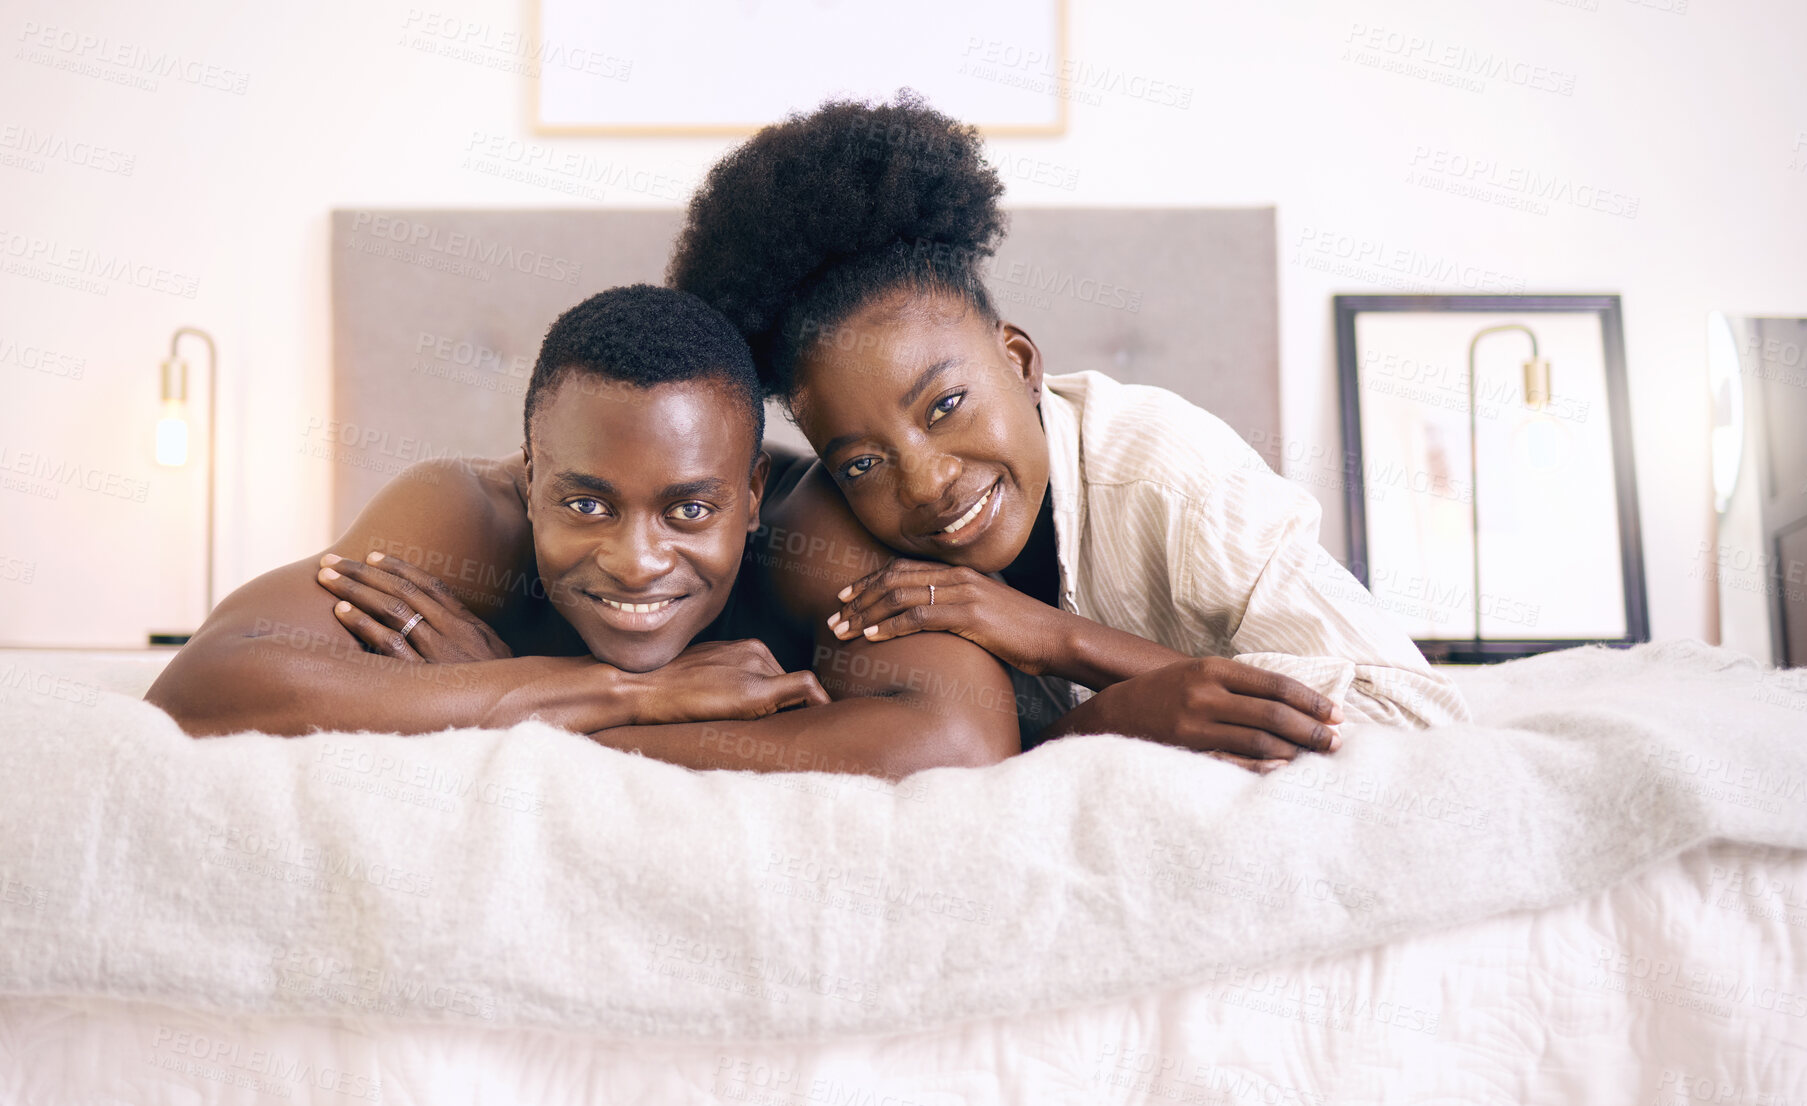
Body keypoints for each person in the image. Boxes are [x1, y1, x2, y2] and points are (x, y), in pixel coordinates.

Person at [664, 92, 1472, 762]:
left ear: (1017, 360)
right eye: (864, 463)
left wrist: (1063, 641)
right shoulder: (851, 550)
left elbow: (1417, 720)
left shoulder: (1167, 475)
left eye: (945, 407)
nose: (927, 483)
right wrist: (1090, 721)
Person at [146, 284, 1021, 779]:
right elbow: (205, 685)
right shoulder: (464, 518)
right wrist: (620, 691)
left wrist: (538, 717)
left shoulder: (810, 532)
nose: (636, 562)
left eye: (690, 510)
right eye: (587, 505)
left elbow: (963, 737)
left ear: (752, 494)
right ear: (529, 477)